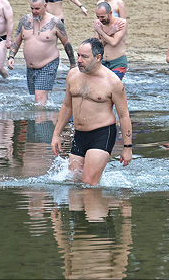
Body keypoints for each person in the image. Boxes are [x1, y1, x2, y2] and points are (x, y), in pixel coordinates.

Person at [50, 38, 133, 186]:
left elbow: (124, 115)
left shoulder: (113, 82)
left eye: (85, 57)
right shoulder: (73, 75)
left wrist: (127, 148)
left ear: (98, 57)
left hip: (101, 134)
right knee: (73, 184)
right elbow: (67, 106)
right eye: (78, 55)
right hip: (79, 134)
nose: (80, 60)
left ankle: (100, 207)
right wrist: (56, 134)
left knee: (89, 184)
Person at [8, 0, 76, 105]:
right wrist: (11, 56)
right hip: (30, 67)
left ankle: (41, 120)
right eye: (32, 8)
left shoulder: (55, 22)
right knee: (35, 99)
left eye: (37, 9)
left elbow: (66, 43)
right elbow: (17, 40)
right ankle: (47, 119)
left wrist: (73, 64)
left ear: (45, 6)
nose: (34, 11)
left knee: (38, 100)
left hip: (48, 64)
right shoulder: (25, 20)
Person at [93, 2, 128, 80]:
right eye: (98, 17)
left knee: (113, 86)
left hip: (118, 63)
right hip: (101, 62)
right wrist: (111, 32)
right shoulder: (98, 24)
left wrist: (101, 32)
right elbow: (97, 46)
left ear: (110, 13)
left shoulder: (121, 23)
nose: (100, 19)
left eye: (102, 17)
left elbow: (113, 42)